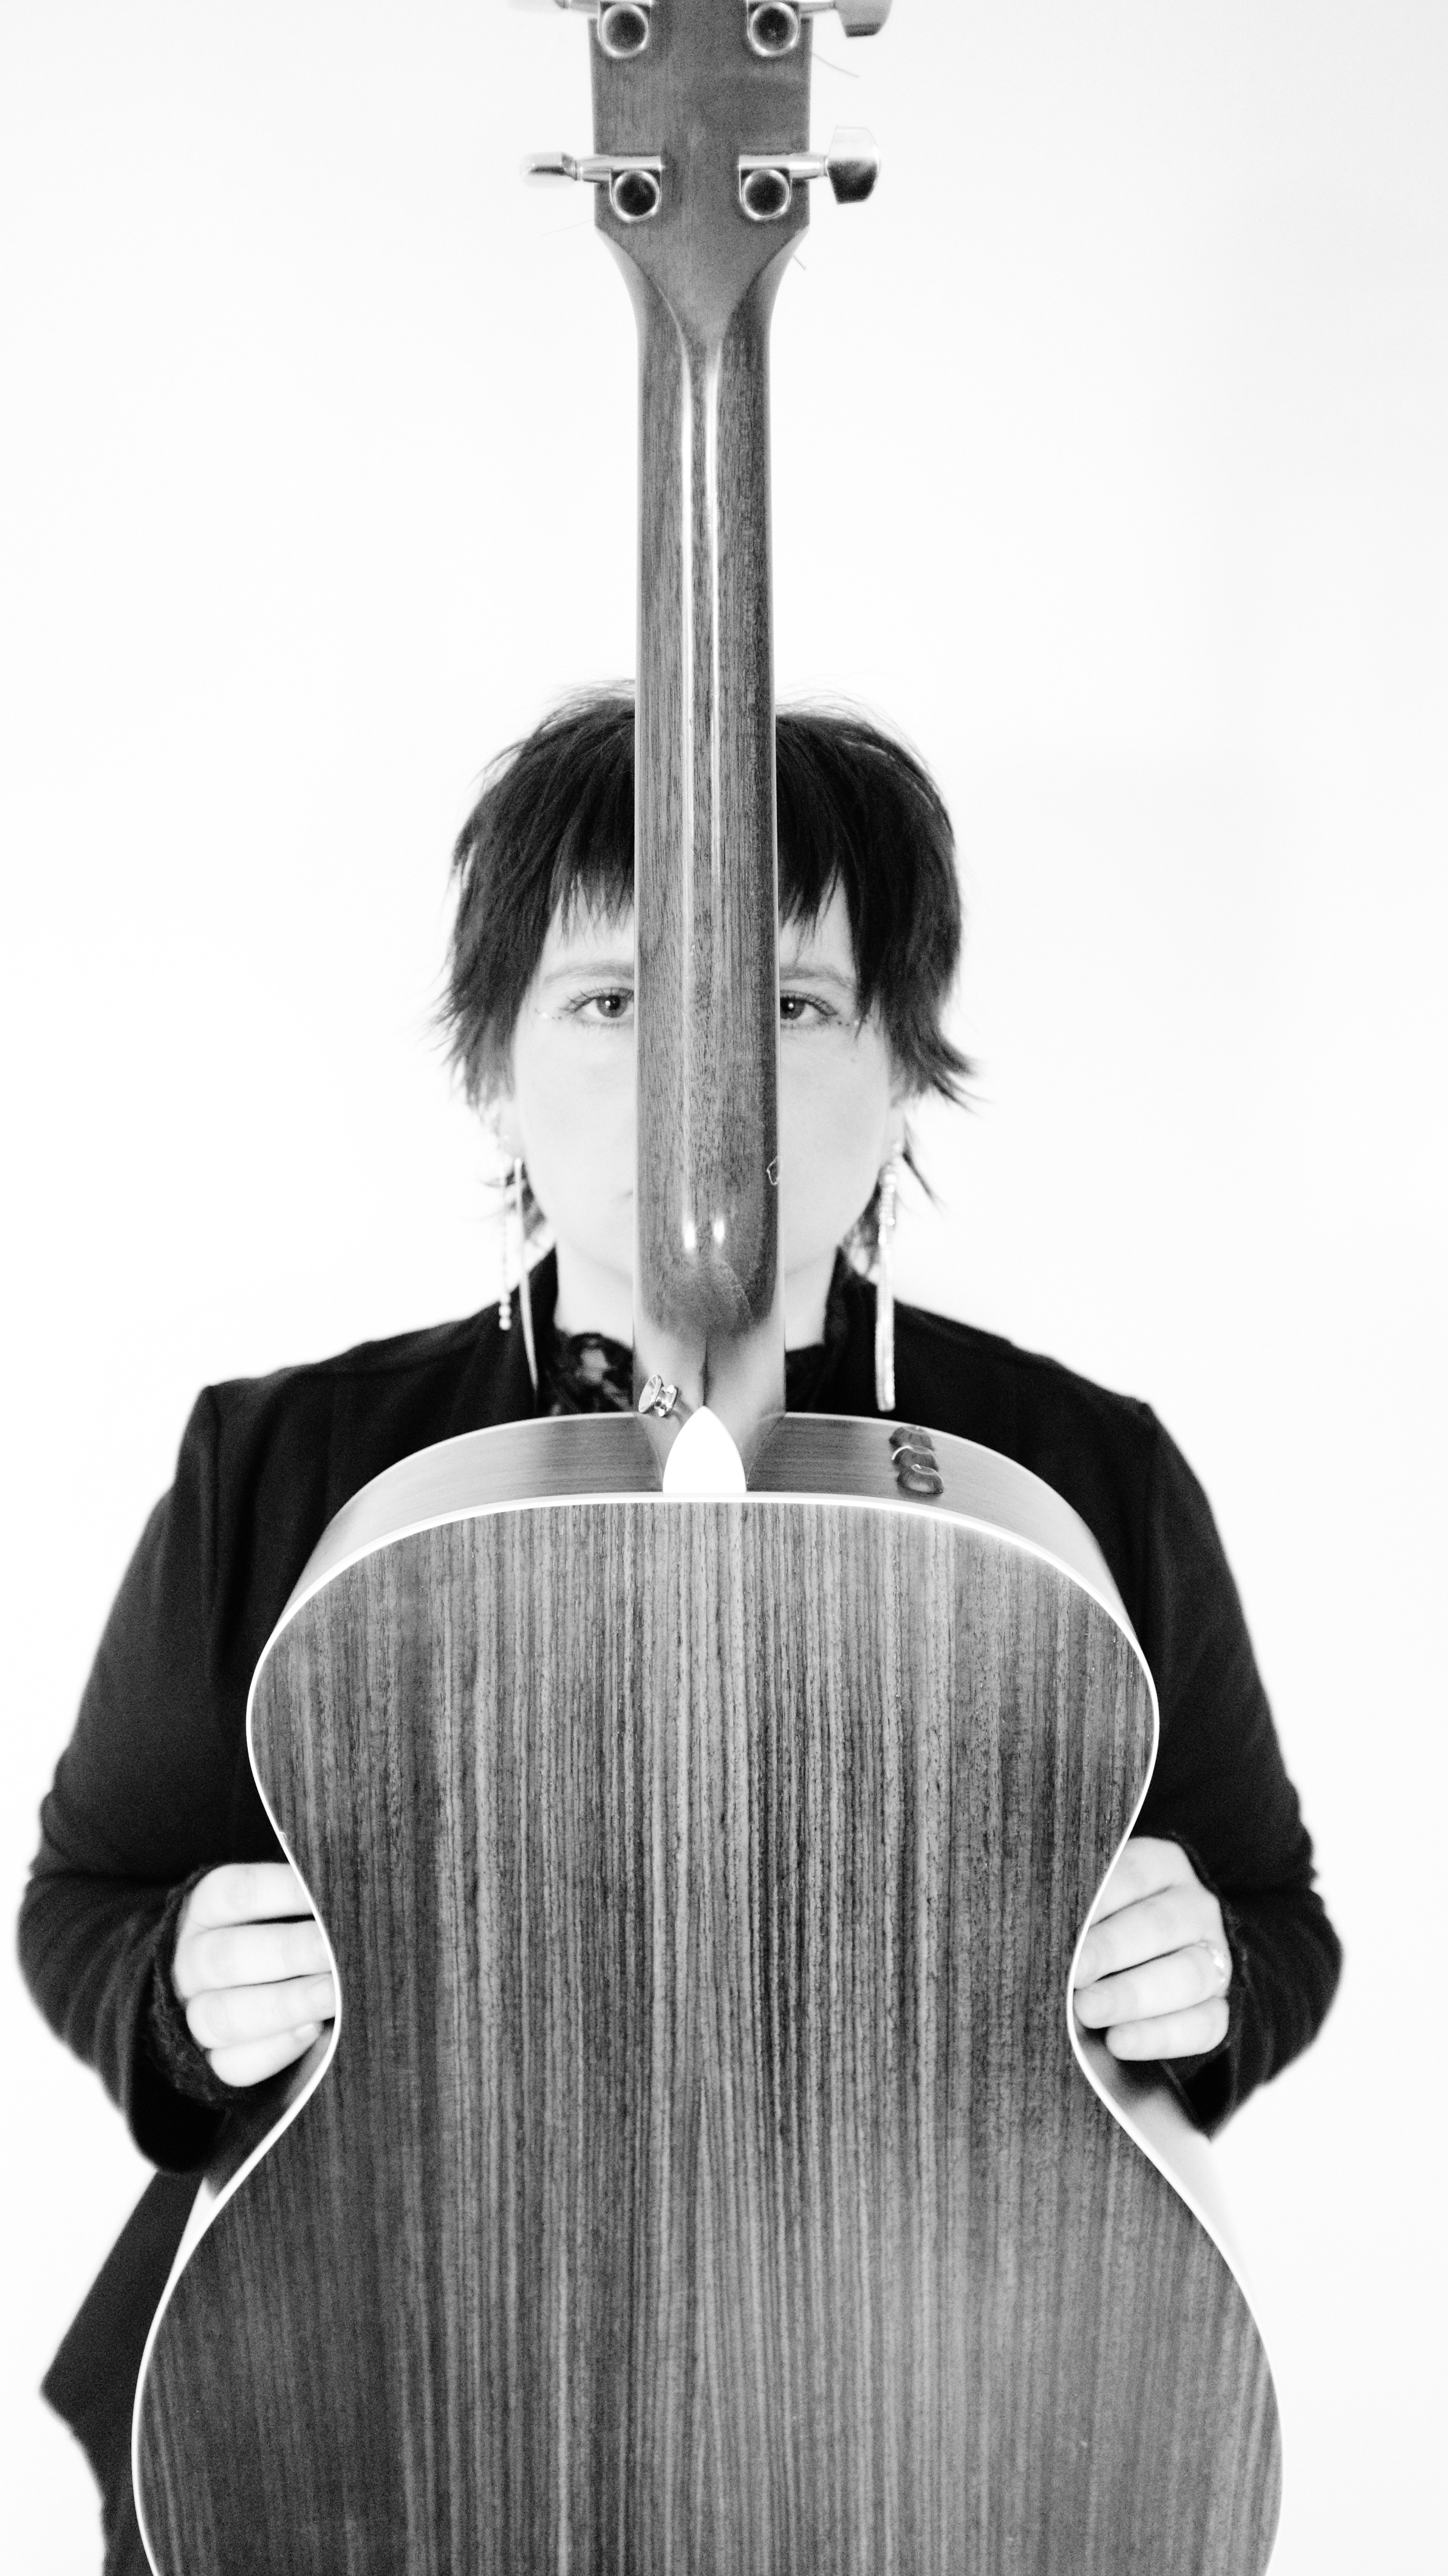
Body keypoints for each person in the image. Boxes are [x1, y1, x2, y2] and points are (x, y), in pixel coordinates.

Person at [19, 690, 1342, 2574]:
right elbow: (85, 1903)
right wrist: (180, 1989)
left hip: (943, 2416)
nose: (699, 1071)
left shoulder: (1079, 1473)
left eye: (792, 1004)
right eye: (609, 1000)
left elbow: (1273, 1924)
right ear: (492, 1066)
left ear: (905, 1069)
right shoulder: (288, 1460)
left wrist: (1196, 1977)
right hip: (371, 2391)